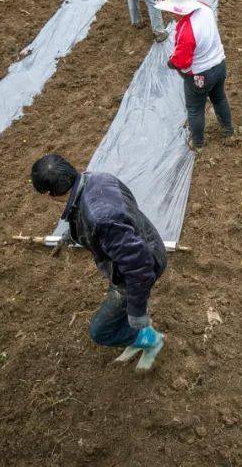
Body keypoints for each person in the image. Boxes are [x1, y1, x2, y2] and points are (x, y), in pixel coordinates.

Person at [30, 155, 167, 370]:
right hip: (144, 243)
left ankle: (150, 340)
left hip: (141, 265)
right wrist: (70, 235)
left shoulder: (99, 219)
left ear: (49, 194)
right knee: (124, 310)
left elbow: (139, 269)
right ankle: (137, 336)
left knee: (101, 331)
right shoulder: (98, 178)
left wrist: (137, 312)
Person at [155, 0, 234, 151]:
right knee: (219, 98)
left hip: (200, 76)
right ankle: (228, 131)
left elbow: (182, 62)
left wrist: (171, 63)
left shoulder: (187, 31)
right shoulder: (204, 7)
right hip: (219, 65)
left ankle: (197, 144)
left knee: (195, 108)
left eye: (172, 10)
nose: (171, 14)